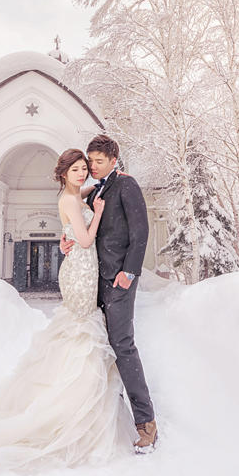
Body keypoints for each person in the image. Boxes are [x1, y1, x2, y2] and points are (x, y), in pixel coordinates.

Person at [0, 149, 135, 473]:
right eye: (77, 170)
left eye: (85, 168)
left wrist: (104, 182)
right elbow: (84, 240)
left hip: (81, 269)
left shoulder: (74, 194)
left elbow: (80, 214)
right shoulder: (71, 200)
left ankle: (79, 401)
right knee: (82, 334)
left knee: (81, 333)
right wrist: (96, 213)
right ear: (64, 173)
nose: (82, 174)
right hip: (81, 273)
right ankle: (72, 405)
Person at [60, 134, 158, 454]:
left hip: (119, 279)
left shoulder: (126, 185)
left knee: (123, 346)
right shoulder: (96, 190)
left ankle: (146, 423)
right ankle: (110, 418)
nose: (93, 167)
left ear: (114, 160)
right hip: (93, 281)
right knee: (102, 347)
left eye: (99, 162)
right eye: (91, 162)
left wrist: (129, 273)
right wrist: (68, 241)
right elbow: (83, 225)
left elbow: (140, 231)